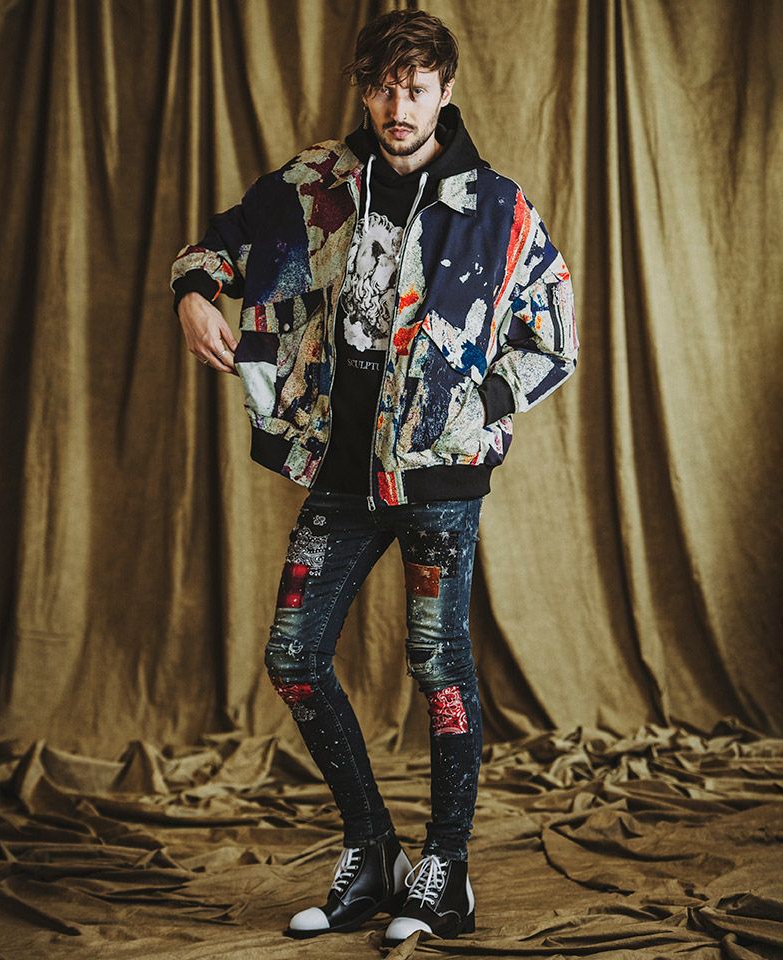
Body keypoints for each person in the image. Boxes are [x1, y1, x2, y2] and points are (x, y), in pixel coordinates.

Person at [170, 8, 577, 947]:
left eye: (418, 89)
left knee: (439, 667)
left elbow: (554, 335)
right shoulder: (315, 184)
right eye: (387, 88)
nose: (401, 107)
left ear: (445, 93)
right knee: (293, 659)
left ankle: (448, 873)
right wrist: (194, 294)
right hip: (341, 474)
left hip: (439, 481)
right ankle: (374, 852)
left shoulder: (496, 207)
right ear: (365, 90)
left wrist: (472, 410)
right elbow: (217, 249)